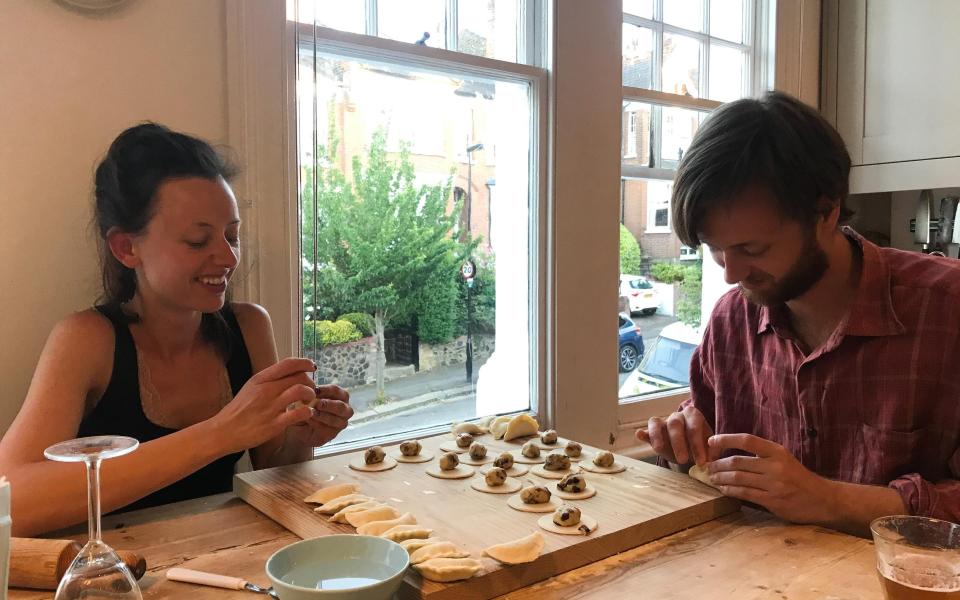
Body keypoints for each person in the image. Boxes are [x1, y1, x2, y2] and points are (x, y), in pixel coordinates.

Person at [0, 123, 354, 536]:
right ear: (126, 248)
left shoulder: (249, 325)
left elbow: (274, 473)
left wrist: (301, 434)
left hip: (226, 559)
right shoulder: (88, 339)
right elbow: (13, 501)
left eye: (232, 236)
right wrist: (219, 434)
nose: (227, 257)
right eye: (197, 241)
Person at [636, 91, 960, 536]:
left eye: (752, 249)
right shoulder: (732, 322)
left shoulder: (946, 310)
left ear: (825, 214)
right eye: (714, 249)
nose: (731, 275)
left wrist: (827, 499)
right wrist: (681, 439)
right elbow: (703, 440)